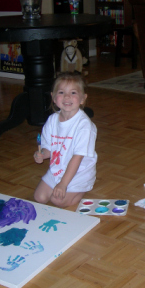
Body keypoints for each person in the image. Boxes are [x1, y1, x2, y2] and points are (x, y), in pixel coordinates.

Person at [33, 72, 97, 208]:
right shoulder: (51, 121)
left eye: (73, 93)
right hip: (58, 169)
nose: (67, 96)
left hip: (79, 172)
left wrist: (63, 184)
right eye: (61, 92)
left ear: (82, 99)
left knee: (57, 201)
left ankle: (82, 188)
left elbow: (77, 158)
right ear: (54, 98)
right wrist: (42, 154)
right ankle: (63, 187)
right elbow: (48, 149)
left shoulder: (84, 126)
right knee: (40, 197)